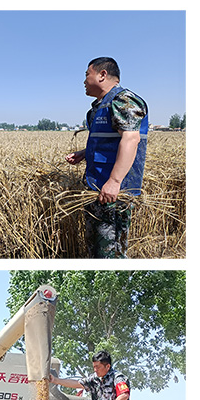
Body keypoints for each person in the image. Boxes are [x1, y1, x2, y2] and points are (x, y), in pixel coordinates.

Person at [65, 57, 148, 258]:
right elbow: (110, 142)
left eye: (87, 74)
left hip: (114, 194)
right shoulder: (96, 109)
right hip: (96, 190)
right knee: (96, 252)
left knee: (111, 255)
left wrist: (114, 181)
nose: (84, 81)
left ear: (102, 75)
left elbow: (130, 139)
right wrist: (85, 154)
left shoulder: (123, 101)